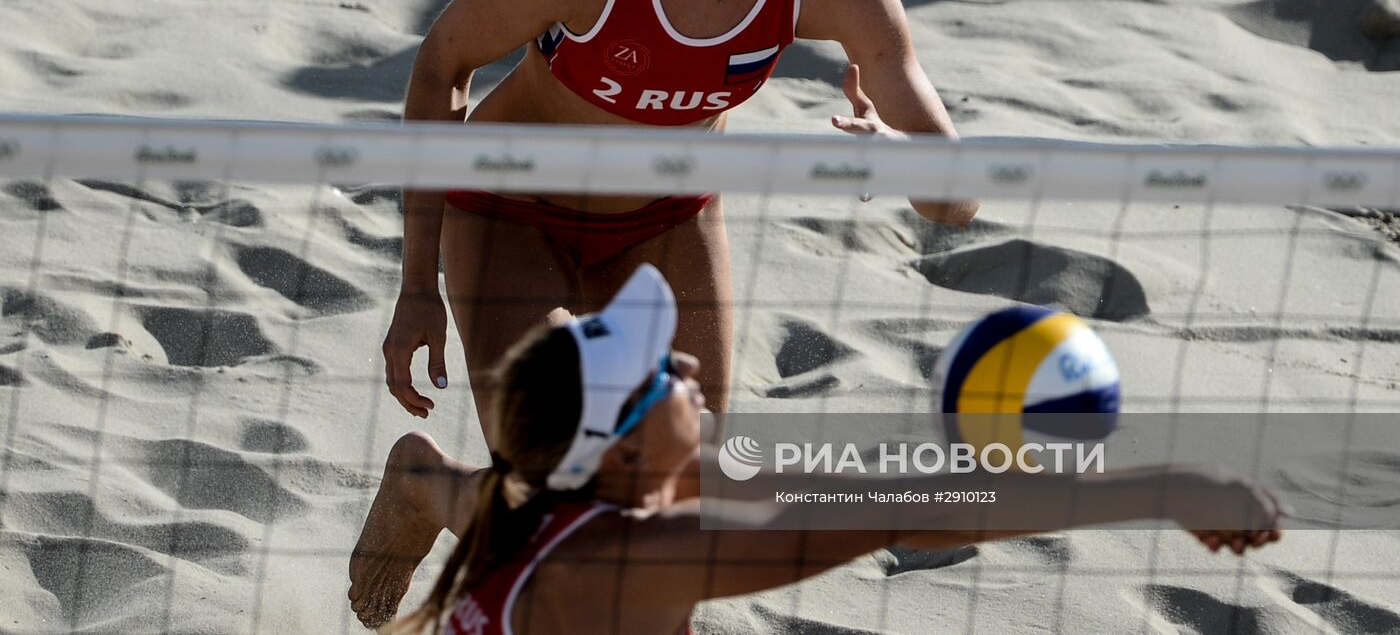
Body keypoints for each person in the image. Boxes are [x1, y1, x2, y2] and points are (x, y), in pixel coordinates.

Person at [383, 0, 980, 430]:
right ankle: (421, 481)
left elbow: (959, 198)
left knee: (692, 501)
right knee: (552, 484)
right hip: (515, 208)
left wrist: (903, 155)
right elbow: (442, 63)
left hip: (669, 220)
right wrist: (418, 280)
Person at [349, 264, 1285, 632]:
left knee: (438, 484)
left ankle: (407, 470)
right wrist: (1172, 482)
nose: (684, 361)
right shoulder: (638, 550)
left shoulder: (534, 491)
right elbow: (879, 514)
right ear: (620, 451)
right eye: (659, 375)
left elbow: (861, 489)